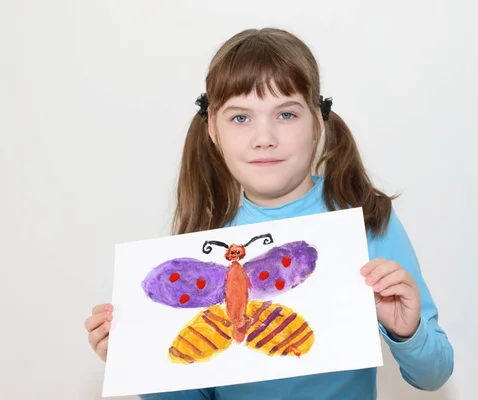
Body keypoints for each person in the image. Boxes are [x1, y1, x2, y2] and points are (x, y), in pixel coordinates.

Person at [84, 27, 454, 399]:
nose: (264, 138)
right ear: (212, 127)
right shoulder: (204, 241)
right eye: (241, 118)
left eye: (286, 115)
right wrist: (141, 361)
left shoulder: (367, 220)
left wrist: (408, 332)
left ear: (317, 120)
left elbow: (433, 375)